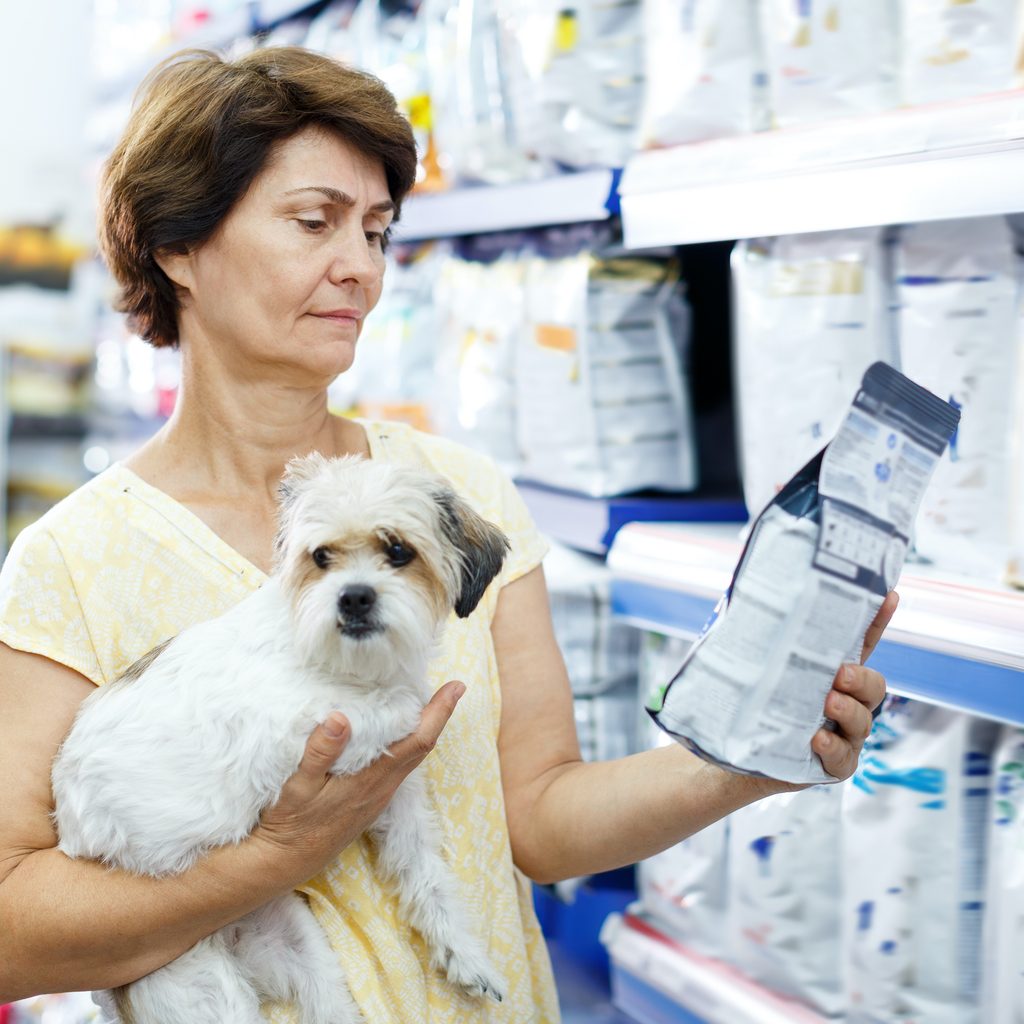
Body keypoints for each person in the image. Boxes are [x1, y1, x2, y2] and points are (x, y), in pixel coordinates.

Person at [0, 46, 892, 1023]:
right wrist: (268, 862)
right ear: (176, 246)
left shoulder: (460, 498)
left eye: (377, 231)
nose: (360, 267)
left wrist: (742, 761)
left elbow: (540, 819)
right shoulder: (73, 562)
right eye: (314, 222)